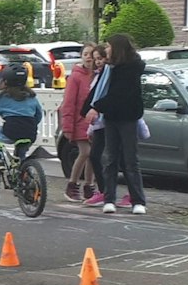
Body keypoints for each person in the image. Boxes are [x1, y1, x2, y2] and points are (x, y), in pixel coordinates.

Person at [91, 33, 148, 215]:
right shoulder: (110, 68)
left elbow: (119, 94)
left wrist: (96, 107)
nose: (106, 49)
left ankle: (138, 200)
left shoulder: (131, 68)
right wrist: (92, 107)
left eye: (108, 46)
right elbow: (98, 90)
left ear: (117, 48)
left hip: (128, 117)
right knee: (110, 159)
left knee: (130, 160)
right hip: (111, 117)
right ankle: (109, 199)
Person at [59, 45, 101, 201]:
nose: (89, 57)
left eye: (92, 54)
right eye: (85, 54)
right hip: (79, 122)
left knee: (93, 155)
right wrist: (67, 126)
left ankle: (89, 186)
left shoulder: (98, 75)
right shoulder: (75, 77)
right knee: (85, 152)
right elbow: (68, 103)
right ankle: (72, 185)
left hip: (93, 123)